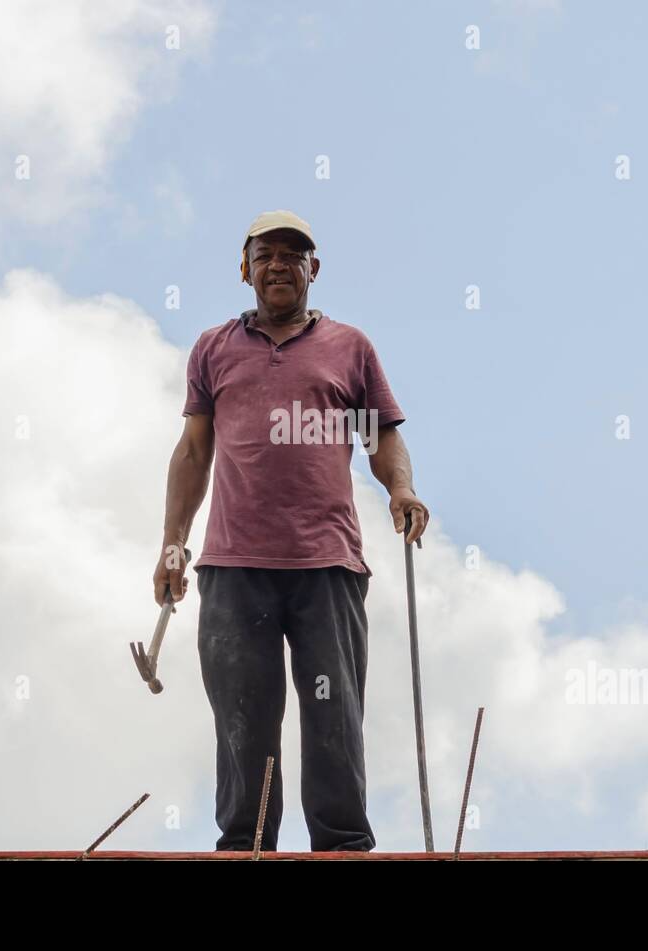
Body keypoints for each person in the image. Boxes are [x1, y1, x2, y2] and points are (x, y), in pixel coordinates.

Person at [153, 209, 429, 851]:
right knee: (244, 717)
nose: (280, 264)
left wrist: (403, 489)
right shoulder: (213, 348)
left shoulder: (349, 347)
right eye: (267, 254)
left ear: (314, 269)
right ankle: (247, 847)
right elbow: (193, 453)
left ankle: (341, 847)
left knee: (333, 711)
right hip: (233, 566)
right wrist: (172, 544)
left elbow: (381, 438)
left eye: (293, 255)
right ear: (245, 268)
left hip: (326, 565)